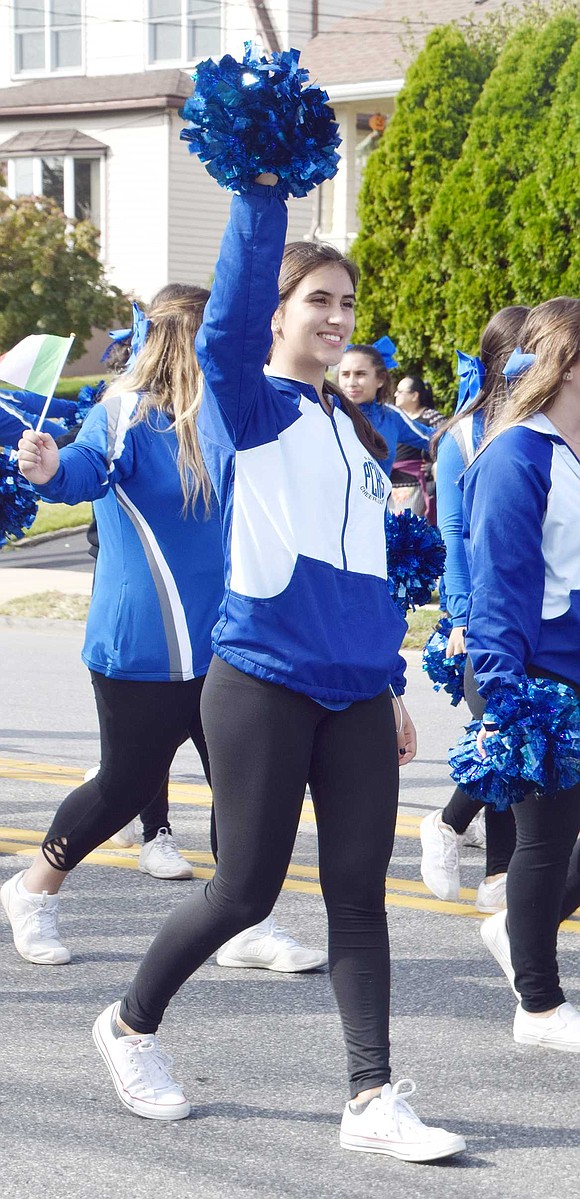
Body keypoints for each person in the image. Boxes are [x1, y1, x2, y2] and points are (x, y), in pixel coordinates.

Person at [88, 173, 465, 1163]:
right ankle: (128, 1023)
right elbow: (231, 309)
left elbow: (365, 571)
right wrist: (262, 198)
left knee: (357, 893)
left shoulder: (350, 430)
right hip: (260, 681)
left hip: (353, 693)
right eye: (318, 300)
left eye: (346, 301)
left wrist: (387, 681)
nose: (337, 316)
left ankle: (371, 1094)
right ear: (278, 314)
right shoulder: (247, 405)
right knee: (243, 891)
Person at [2, 283, 326, 974]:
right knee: (125, 784)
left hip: (228, 642)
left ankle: (244, 922)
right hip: (141, 643)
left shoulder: (236, 412)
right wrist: (49, 466)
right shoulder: (122, 410)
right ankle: (32, 890)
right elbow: (82, 471)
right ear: (189, 336)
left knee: (244, 781)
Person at [461, 296, 580, 1051]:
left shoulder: (571, 452)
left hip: (571, 669)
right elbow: (498, 584)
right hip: (531, 674)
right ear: (566, 364)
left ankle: (515, 926)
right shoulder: (516, 454)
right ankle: (537, 1005)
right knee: (544, 839)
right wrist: (506, 696)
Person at [419, 308, 528, 910]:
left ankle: (495, 872)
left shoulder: (552, 426)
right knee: (506, 728)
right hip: (486, 610)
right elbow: (454, 535)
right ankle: (453, 826)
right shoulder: (461, 437)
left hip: (543, 603)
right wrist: (461, 617)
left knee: (521, 733)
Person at [337, 344, 432, 475]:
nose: (351, 383)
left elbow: (435, 439)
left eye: (360, 374)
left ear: (380, 379)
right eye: (345, 374)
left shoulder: (391, 416)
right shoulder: (329, 412)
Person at [390, 376, 444, 523]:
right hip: (391, 485)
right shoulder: (395, 417)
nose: (395, 394)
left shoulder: (432, 417)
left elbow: (447, 444)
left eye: (400, 391)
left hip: (416, 487)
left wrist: (433, 465)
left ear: (414, 395)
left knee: (411, 531)